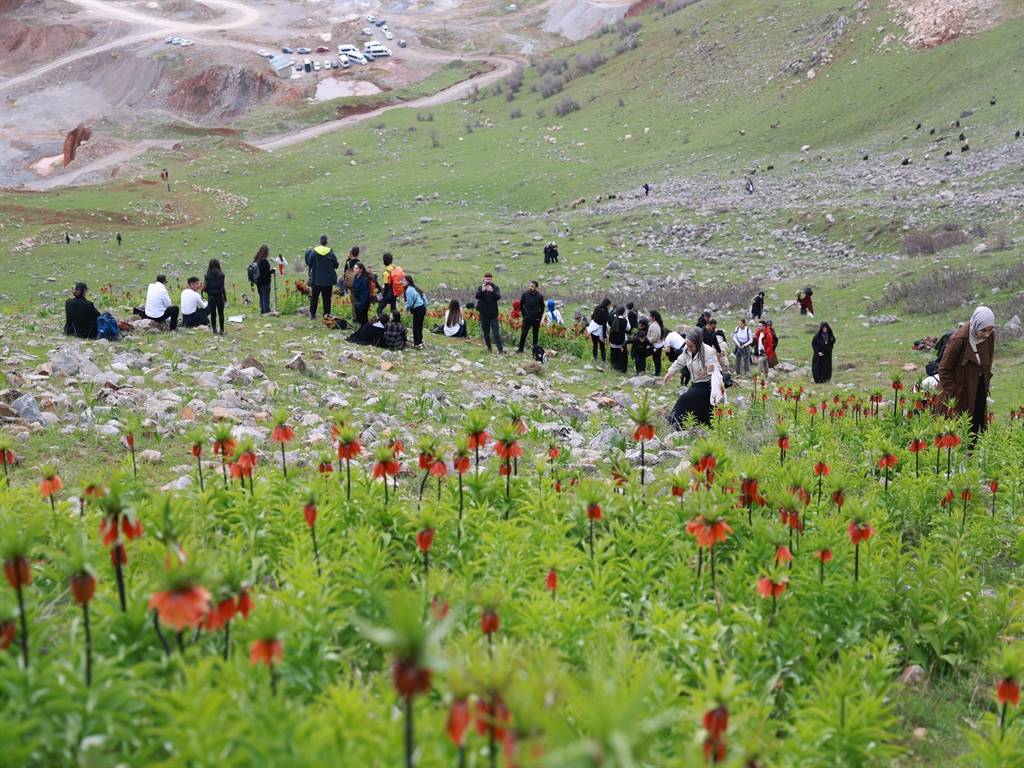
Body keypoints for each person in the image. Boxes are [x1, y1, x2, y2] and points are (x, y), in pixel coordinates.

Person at [937, 306, 995, 435]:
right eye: (983, 330)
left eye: (990, 330)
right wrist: (954, 392)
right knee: (959, 425)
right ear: (975, 325)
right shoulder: (959, 340)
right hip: (960, 389)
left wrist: (986, 379)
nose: (987, 334)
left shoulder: (990, 336)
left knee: (977, 421)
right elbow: (944, 368)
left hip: (978, 385)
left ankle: (972, 452)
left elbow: (988, 359)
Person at [663, 328, 720, 427]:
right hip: (696, 383)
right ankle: (687, 425)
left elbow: (714, 368)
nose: (688, 348)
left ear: (697, 343)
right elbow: (680, 361)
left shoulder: (709, 352)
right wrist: (670, 372)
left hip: (707, 385)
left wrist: (708, 370)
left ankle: (674, 420)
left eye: (691, 346)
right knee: (697, 407)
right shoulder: (687, 350)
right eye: (687, 345)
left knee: (684, 399)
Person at [305, 235, 338, 319]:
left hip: (316, 279)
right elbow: (336, 265)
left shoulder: (314, 252)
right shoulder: (330, 253)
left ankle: (312, 314)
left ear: (320, 242)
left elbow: (309, 262)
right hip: (327, 280)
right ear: (326, 242)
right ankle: (326, 315)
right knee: (327, 298)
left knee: (314, 298)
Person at [475, 273, 504, 353]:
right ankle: (489, 348)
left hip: (493, 315)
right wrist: (482, 291)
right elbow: (477, 296)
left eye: (489, 279)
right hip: (483, 314)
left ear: (491, 279)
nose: (487, 281)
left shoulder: (495, 287)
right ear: (484, 279)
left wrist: (492, 291)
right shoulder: (480, 287)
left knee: (496, 333)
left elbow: (498, 297)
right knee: (486, 333)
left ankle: (500, 349)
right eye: (486, 279)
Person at [517, 280, 545, 354]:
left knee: (535, 335)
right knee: (523, 334)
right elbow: (521, 305)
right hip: (527, 318)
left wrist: (539, 317)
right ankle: (520, 349)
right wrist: (524, 315)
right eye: (530, 286)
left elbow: (542, 308)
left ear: (536, 288)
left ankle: (535, 351)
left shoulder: (540, 296)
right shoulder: (525, 294)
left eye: (532, 286)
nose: (530, 287)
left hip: (536, 319)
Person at [404, 274, 428, 349]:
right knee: (420, 326)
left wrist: (406, 308)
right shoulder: (414, 288)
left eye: (404, 280)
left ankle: (417, 344)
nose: (402, 282)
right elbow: (423, 296)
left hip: (417, 309)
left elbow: (410, 303)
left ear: (408, 282)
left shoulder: (408, 290)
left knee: (416, 327)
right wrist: (426, 306)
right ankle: (420, 341)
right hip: (422, 308)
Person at [204, 259, 226, 335]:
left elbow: (206, 288)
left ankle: (214, 330)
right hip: (220, 296)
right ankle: (222, 329)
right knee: (221, 313)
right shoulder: (221, 275)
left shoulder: (207, 275)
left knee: (213, 314)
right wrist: (225, 298)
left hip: (211, 297)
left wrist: (204, 290)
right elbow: (223, 288)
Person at [588, 298, 611, 368]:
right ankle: (603, 360)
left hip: (593, 329)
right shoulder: (606, 312)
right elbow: (604, 324)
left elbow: (592, 316)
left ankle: (594, 358)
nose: (609, 306)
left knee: (595, 345)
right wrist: (604, 335)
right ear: (607, 305)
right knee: (602, 346)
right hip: (600, 330)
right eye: (609, 305)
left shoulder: (597, 307)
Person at [252, 245, 273, 314]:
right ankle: (266, 311)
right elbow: (267, 273)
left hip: (258, 282)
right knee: (266, 297)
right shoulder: (264, 261)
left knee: (261, 296)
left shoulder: (256, 260)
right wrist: (272, 271)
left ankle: (262, 310)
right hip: (265, 282)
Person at [350, 262, 372, 327]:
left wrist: (361, 304)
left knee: (363, 319)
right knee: (360, 318)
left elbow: (364, 294)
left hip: (364, 301)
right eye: (354, 268)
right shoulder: (356, 277)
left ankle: (365, 331)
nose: (354, 270)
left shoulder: (364, 279)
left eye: (356, 268)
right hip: (358, 300)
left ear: (361, 270)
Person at [608, 306, 629, 373]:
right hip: (621, 340)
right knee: (621, 355)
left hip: (613, 339)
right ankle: (621, 368)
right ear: (623, 312)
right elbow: (628, 328)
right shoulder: (624, 320)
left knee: (613, 354)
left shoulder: (611, 318)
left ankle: (614, 366)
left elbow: (608, 326)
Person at [648, 309, 665, 376]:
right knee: (657, 359)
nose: (649, 317)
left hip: (655, 345)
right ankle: (657, 372)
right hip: (658, 344)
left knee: (656, 359)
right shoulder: (657, 324)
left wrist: (647, 339)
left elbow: (654, 338)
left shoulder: (654, 326)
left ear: (653, 317)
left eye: (650, 316)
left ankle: (657, 373)